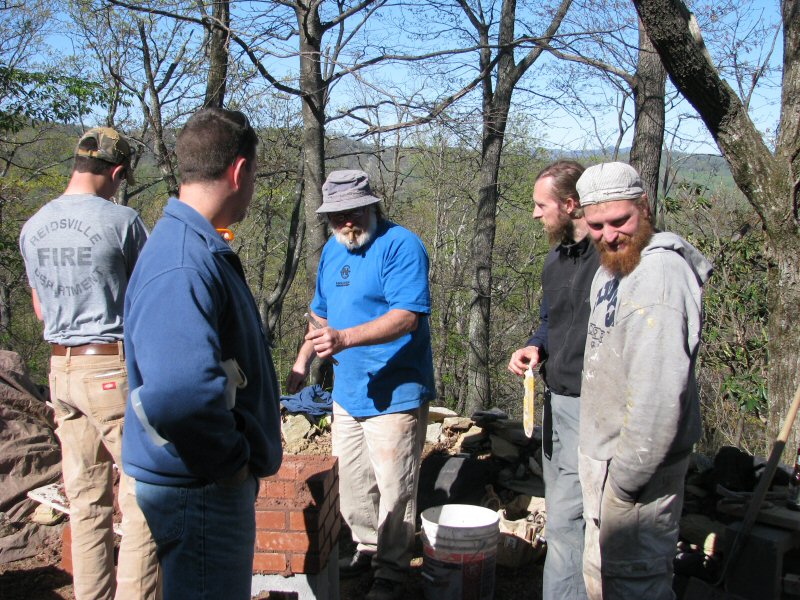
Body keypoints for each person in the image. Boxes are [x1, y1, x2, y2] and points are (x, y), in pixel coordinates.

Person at [121, 108, 282, 600]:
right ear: (238, 171)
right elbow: (179, 395)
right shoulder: (182, 263)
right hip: (201, 488)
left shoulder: (190, 247)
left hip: (200, 482)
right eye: (253, 173)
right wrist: (231, 463)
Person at [19, 127, 161, 600]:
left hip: (60, 372)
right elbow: (152, 295)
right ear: (116, 172)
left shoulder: (33, 226)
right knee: (144, 495)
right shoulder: (121, 221)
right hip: (111, 370)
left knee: (85, 502)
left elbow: (41, 308)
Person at [287, 169, 435, 600]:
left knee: (395, 489)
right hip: (348, 393)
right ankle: (368, 549)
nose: (346, 223)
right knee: (352, 487)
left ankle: (392, 570)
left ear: (372, 205)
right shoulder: (332, 253)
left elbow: (408, 315)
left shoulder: (400, 245)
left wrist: (345, 338)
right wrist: (302, 359)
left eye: (353, 213)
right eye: (337, 217)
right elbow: (320, 315)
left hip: (396, 391)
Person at [575, 162, 712, 600]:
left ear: (645, 207)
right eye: (596, 225)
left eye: (620, 221)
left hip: (635, 469)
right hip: (606, 458)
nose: (609, 235)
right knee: (605, 580)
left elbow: (658, 395)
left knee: (636, 585)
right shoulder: (613, 268)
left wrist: (626, 480)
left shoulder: (659, 277)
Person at [508, 160, 595, 600]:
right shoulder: (555, 261)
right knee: (562, 519)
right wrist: (535, 346)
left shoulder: (611, 261)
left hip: (598, 409)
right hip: (558, 404)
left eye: (542, 205)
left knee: (596, 523)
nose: (536, 214)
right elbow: (550, 321)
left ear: (570, 203)